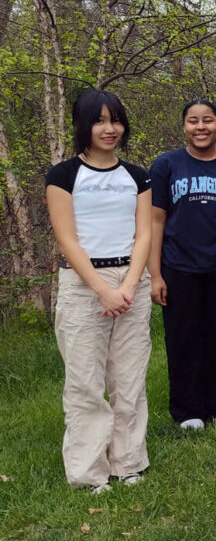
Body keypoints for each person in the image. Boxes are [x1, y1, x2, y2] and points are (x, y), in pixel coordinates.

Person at [46, 88, 152, 493]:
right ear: (83, 125)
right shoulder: (63, 175)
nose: (110, 129)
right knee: (85, 380)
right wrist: (102, 290)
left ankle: (128, 462)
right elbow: (66, 239)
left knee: (129, 377)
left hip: (131, 282)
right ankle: (88, 471)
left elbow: (144, 235)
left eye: (116, 120)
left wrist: (127, 285)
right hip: (82, 284)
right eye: (100, 121)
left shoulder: (138, 176)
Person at [149, 98, 216, 431]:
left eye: (207, 120)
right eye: (193, 121)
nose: (201, 127)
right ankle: (187, 409)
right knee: (183, 338)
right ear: (184, 126)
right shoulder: (167, 165)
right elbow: (155, 221)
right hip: (178, 265)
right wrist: (154, 274)